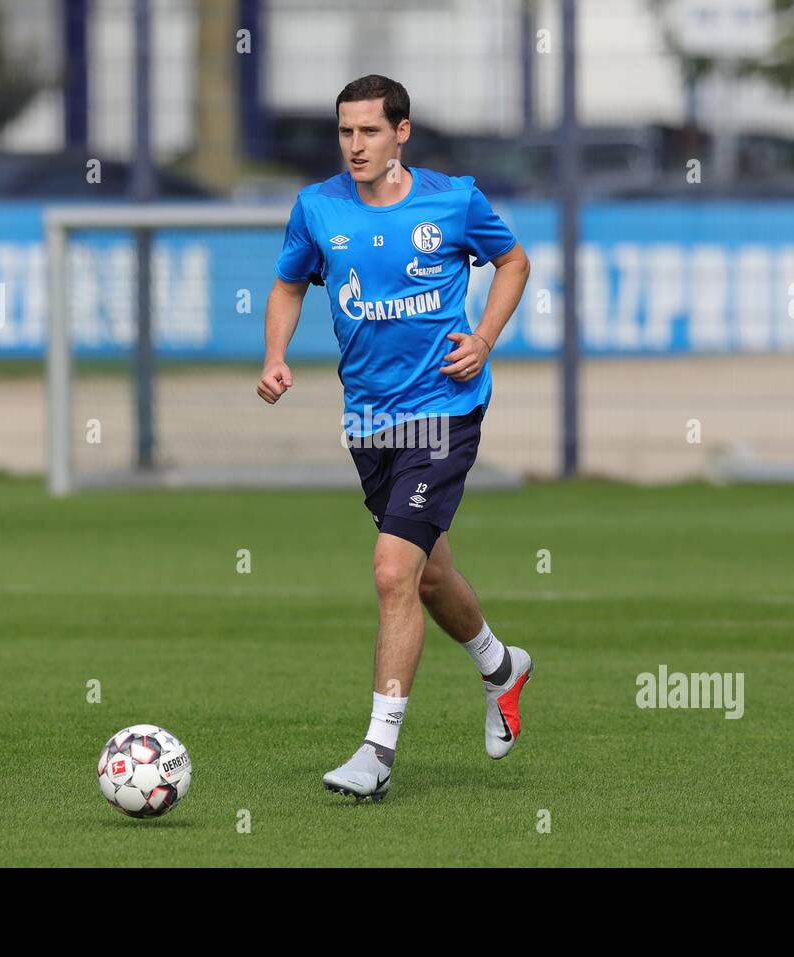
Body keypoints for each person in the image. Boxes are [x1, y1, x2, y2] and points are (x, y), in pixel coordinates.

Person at [257, 74, 533, 802]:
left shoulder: (453, 201)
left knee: (389, 570)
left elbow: (514, 261)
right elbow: (289, 284)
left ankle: (376, 753)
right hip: (368, 421)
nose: (355, 145)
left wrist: (483, 337)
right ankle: (502, 667)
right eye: (346, 132)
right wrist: (276, 356)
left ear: (401, 133)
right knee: (429, 576)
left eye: (370, 131)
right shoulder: (317, 208)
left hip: (445, 408)